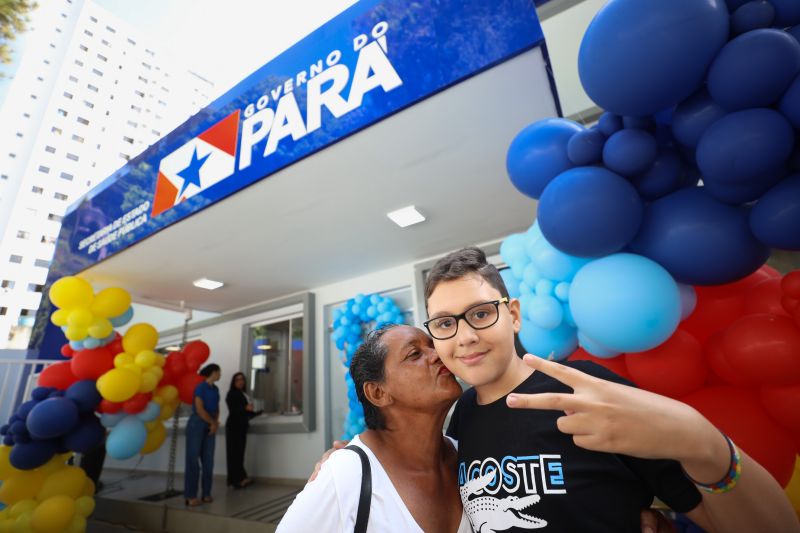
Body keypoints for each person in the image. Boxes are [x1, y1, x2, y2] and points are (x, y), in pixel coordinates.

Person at [424, 246, 799, 532]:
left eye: (480, 314)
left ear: (514, 315)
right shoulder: (461, 417)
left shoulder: (584, 388)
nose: (466, 337)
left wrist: (703, 440)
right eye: (444, 324)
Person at [279, 325, 472, 532]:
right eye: (414, 354)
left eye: (434, 345)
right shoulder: (345, 474)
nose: (438, 354)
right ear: (378, 393)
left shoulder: (468, 457)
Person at [184, 363, 221, 507]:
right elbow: (199, 408)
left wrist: (215, 422)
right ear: (213, 372)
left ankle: (206, 493)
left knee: (208, 461)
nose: (220, 375)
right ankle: (190, 495)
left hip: (210, 423)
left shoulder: (215, 388)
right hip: (197, 424)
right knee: (193, 460)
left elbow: (216, 407)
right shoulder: (200, 387)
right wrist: (212, 422)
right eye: (218, 372)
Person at [225, 372, 262, 489]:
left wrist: (256, 412)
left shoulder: (243, 394)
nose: (240, 382)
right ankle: (235, 480)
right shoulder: (232, 394)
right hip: (234, 427)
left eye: (242, 379)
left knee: (240, 453)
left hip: (241, 427)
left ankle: (241, 477)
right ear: (233, 382)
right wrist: (245, 408)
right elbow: (235, 409)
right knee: (234, 453)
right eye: (237, 380)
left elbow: (246, 412)